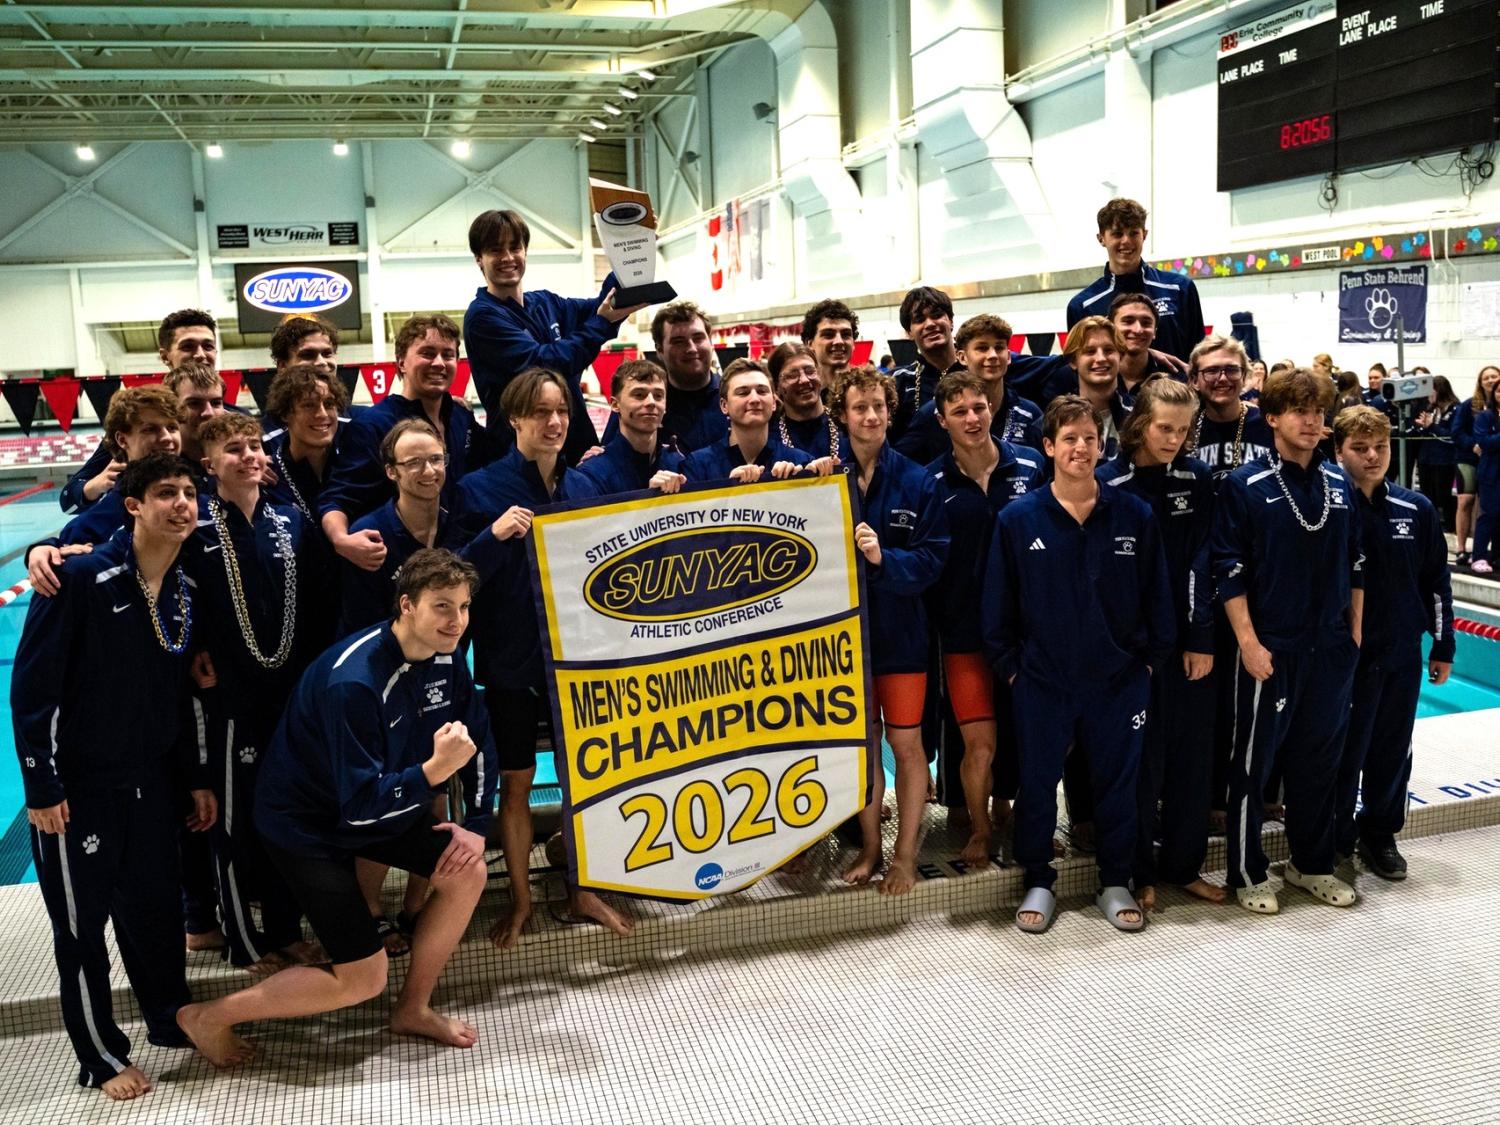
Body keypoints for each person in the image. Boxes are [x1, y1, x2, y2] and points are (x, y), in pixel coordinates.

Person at [175, 550, 498, 1065]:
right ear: (407, 605)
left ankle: (413, 1008)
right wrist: (432, 772)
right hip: (307, 826)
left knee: (467, 870)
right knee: (363, 977)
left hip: (370, 804)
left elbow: (476, 736)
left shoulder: (447, 657)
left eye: (463, 606)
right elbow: (361, 805)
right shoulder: (355, 683)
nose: (456, 620)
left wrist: (477, 824)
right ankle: (208, 1016)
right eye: (442, 606)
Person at [14, 453, 208, 1100]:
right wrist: (43, 788)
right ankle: (98, 1054)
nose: (181, 504)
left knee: (155, 912)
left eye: (189, 493)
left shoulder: (182, 590)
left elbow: (177, 698)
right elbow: (33, 693)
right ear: (133, 506)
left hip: (148, 784)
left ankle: (168, 1019)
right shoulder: (79, 579)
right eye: (166, 493)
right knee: (81, 927)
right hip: (79, 791)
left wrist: (193, 778)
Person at [448, 368, 634, 947]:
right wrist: (493, 536)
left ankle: (583, 889)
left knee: (586, 777)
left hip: (577, 660)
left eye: (562, 412)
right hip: (510, 662)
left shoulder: (583, 487)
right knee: (517, 782)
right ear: (514, 419)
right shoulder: (479, 489)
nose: (554, 422)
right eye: (541, 413)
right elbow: (455, 578)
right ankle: (523, 900)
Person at [983, 396, 1174, 934]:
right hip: (1043, 680)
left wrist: (1148, 664)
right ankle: (1039, 878)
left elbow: (1158, 596)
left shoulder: (1133, 514)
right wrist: (1014, 670)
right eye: (1069, 439)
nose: (1081, 448)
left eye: (1090, 438)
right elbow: (997, 606)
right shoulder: (1018, 520)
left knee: (1118, 783)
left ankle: (1115, 879)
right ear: (1048, 447)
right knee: (1038, 782)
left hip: (1119, 680)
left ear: (1102, 445)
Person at [1211, 367, 1364, 915]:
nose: (1312, 421)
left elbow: (1356, 562)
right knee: (1254, 766)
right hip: (1271, 647)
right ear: (1272, 417)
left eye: (1319, 412)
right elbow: (1227, 570)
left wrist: (1354, 632)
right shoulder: (1244, 485)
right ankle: (1248, 871)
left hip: (1330, 648)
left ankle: (1311, 863)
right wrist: (1249, 643)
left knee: (1319, 762)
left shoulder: (1339, 483)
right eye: (1299, 411)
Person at [184, 413, 322, 975]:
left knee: (287, 815)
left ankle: (286, 931)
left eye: (253, 447)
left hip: (288, 696)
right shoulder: (195, 528)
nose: (247, 456)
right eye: (233, 450)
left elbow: (315, 603)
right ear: (209, 464)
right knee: (233, 824)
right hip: (230, 702)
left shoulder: (290, 520)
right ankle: (243, 940)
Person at [1097, 379, 1221, 910]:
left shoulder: (1198, 480)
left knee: (1191, 759)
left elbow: (1205, 563)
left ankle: (1184, 866)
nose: (1173, 439)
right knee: (1138, 765)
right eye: (1164, 428)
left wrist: (1200, 637)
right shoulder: (1109, 482)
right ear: (1140, 424)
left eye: (1183, 430)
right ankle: (1137, 872)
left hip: (1187, 645)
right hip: (1132, 652)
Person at [831, 365, 950, 894]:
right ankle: (871, 847)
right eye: (860, 407)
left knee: (906, 744)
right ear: (842, 415)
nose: (871, 416)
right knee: (865, 745)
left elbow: (933, 559)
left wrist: (884, 560)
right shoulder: (823, 478)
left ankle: (904, 856)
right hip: (844, 644)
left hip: (901, 635)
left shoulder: (917, 481)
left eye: (879, 406)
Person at [925, 371, 1044, 864]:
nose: (972, 418)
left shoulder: (1032, 465)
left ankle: (1017, 816)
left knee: (1032, 738)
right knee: (979, 744)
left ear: (990, 409)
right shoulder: (931, 482)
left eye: (978, 408)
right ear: (942, 421)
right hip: (965, 635)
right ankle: (979, 828)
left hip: (1027, 631)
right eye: (959, 412)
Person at [1332, 406, 1454, 880]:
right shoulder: (1329, 507)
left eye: (1380, 447)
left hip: (1400, 652)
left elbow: (1436, 582)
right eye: (1360, 448)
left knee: (1392, 748)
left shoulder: (1415, 508)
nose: (1372, 456)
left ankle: (1380, 833)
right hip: (1346, 656)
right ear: (1339, 451)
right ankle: (1336, 837)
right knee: (1343, 750)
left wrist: (1443, 646)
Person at [464, 208, 645, 464]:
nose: (507, 257)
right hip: (525, 461)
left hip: (578, 447)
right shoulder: (483, 317)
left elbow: (600, 306)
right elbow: (546, 364)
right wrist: (603, 322)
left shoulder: (545, 302)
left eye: (515, 247)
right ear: (479, 259)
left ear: (525, 252)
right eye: (495, 250)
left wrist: (633, 250)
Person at [319, 314, 492, 573]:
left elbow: (495, 464)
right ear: (401, 362)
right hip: (395, 564)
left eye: (448, 355)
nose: (439, 363)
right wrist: (341, 540)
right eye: (427, 353)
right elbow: (338, 498)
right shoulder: (373, 425)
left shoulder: (460, 417)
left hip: (454, 560)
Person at [61, 309, 220, 515]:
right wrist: (97, 484)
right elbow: (69, 502)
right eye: (188, 346)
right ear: (165, 356)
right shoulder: (137, 420)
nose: (200, 354)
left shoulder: (234, 418)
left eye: (208, 346)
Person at [1066, 198, 1204, 363]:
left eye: (1133, 233)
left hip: (1176, 380)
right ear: (1101, 238)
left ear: (1144, 235)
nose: (1126, 241)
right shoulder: (1082, 306)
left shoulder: (1180, 288)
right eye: (1117, 234)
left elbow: (1200, 355)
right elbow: (1080, 365)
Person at [896, 313, 1041, 463]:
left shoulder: (1030, 414)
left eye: (999, 348)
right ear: (962, 357)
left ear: (1009, 356)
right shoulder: (934, 414)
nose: (992, 355)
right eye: (982, 348)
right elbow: (900, 465)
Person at [602, 302, 727, 454]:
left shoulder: (736, 397)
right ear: (659, 350)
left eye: (698, 338)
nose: (692, 348)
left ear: (711, 342)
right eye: (679, 342)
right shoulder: (640, 403)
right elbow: (610, 455)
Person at [680, 360, 824, 483]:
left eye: (762, 391)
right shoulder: (697, 466)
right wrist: (727, 489)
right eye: (743, 393)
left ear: (774, 403)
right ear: (724, 405)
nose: (755, 399)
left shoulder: (801, 462)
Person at [572, 360, 687, 499]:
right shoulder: (592, 474)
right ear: (615, 405)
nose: (651, 402)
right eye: (639, 395)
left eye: (658, 396)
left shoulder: (679, 464)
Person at [262, 363, 349, 521]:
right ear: (285, 413)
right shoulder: (268, 476)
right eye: (309, 405)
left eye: (329, 404)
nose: (322, 414)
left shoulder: (354, 464)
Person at [1188, 335, 1273, 481]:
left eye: (1232, 370)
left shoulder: (1268, 425)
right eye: (1211, 370)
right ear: (1195, 380)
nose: (1222, 378)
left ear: (1244, 376)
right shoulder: (1184, 428)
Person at [891, 286, 959, 441]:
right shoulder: (898, 381)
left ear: (951, 321)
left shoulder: (977, 369)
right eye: (919, 320)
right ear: (909, 332)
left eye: (937, 315)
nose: (930, 324)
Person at [1061, 316, 1133, 460]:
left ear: (1120, 356)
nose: (1100, 358)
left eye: (1108, 350)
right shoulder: (1055, 421)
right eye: (1090, 351)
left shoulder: (1139, 417)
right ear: (1074, 361)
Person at [1452, 365, 1499, 564]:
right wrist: (1474, 445)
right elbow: (1456, 432)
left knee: (1493, 507)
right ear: (1480, 382)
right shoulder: (1469, 405)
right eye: (1486, 377)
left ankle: (1493, 552)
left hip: (1492, 461)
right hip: (1469, 459)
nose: (1490, 380)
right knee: (1466, 501)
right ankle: (1462, 548)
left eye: (1494, 376)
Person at [769, 341, 844, 460]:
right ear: (776, 386)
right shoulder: (770, 439)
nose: (804, 380)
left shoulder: (845, 425)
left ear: (820, 375)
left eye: (810, 371)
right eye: (792, 375)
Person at [1413, 375, 1460, 530]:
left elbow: (1451, 436)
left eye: (1430, 391)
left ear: (1440, 390)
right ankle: (1430, 525)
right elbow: (1426, 433)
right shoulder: (1431, 408)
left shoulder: (1456, 409)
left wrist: (1432, 426)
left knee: (1445, 497)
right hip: (1427, 458)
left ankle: (1450, 526)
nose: (1427, 395)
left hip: (1445, 460)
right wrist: (1422, 427)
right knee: (1427, 495)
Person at [1472, 376, 1500, 574]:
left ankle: (1497, 555)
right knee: (1489, 514)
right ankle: (1479, 556)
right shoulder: (1486, 416)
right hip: (1491, 473)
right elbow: (1483, 441)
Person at [801, 298, 858, 389]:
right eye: (828, 334)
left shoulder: (870, 389)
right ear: (810, 344)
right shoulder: (803, 391)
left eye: (846, 334)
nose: (839, 341)